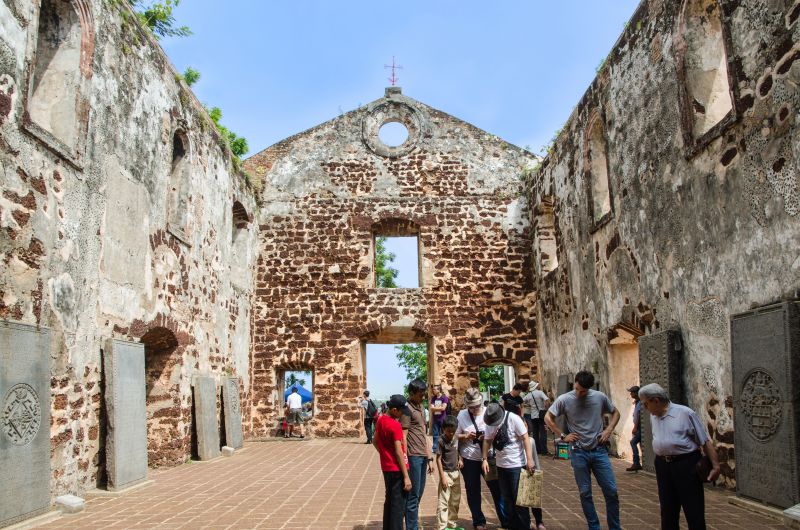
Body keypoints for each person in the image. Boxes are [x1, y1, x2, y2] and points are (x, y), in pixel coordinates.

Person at [545, 370, 621, 530]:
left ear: (589, 388)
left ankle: (615, 527)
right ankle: (594, 526)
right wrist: (562, 435)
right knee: (585, 492)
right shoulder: (565, 399)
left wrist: (609, 430)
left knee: (611, 491)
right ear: (575, 384)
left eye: (583, 391)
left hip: (599, 450)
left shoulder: (599, 397)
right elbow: (548, 417)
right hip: (578, 451)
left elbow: (615, 412)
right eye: (577, 389)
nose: (579, 393)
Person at [638, 383, 720, 530]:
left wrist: (716, 466)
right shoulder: (653, 416)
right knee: (667, 509)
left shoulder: (685, 413)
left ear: (656, 401)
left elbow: (704, 441)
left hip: (686, 464)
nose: (644, 408)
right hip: (663, 465)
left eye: (645, 404)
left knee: (693, 509)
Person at [482, 402, 546, 530]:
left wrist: (529, 459)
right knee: (507, 499)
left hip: (516, 465)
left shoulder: (514, 419)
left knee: (519, 500)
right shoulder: (490, 423)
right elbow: (487, 440)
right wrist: (484, 459)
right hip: (501, 466)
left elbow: (526, 438)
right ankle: (512, 526)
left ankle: (524, 526)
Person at [455, 387, 508, 530]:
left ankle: (505, 520)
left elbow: (499, 433)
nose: (474, 409)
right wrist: (465, 436)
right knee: (473, 490)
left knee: (497, 490)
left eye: (476, 406)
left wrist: (487, 438)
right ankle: (478, 521)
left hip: (489, 458)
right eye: (471, 407)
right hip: (469, 457)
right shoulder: (461, 415)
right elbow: (454, 436)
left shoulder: (489, 413)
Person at [374, 394, 412, 530]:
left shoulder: (380, 420)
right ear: (394, 409)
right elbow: (398, 451)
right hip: (397, 469)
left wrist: (384, 454)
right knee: (398, 506)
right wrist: (406, 476)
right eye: (401, 411)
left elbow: (375, 441)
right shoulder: (395, 425)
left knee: (389, 501)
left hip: (387, 467)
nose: (403, 414)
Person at [401, 378, 434, 530]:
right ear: (412, 393)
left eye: (423, 394)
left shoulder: (421, 408)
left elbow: (424, 433)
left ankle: (409, 523)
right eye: (420, 395)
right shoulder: (407, 410)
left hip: (422, 454)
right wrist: (405, 459)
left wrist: (430, 457)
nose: (422, 397)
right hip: (413, 456)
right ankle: (411, 527)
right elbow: (403, 437)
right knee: (413, 495)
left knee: (418, 493)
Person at [435, 415, 463, 530]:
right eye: (448, 431)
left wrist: (460, 459)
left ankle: (452, 524)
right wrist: (443, 477)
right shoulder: (441, 440)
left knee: (455, 501)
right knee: (443, 502)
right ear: (443, 429)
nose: (451, 434)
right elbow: (438, 459)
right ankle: (442, 526)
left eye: (453, 431)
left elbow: (458, 451)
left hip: (456, 473)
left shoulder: (456, 438)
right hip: (446, 474)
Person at [523, 381, 551, 455]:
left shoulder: (529, 395)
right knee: (543, 433)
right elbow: (547, 400)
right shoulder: (540, 392)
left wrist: (528, 405)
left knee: (535, 434)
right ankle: (544, 451)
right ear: (535, 387)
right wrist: (546, 409)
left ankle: (537, 450)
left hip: (533, 416)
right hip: (541, 416)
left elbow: (522, 401)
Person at [626, 385, 642, 471]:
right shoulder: (637, 402)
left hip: (639, 427)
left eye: (632, 392)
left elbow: (639, 415)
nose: (631, 394)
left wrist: (635, 427)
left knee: (633, 442)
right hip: (638, 427)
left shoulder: (640, 403)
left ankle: (636, 463)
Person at [430, 384, 450, 453]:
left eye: (435, 389)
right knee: (435, 435)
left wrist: (435, 408)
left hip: (442, 419)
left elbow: (443, 408)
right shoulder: (433, 398)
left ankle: (444, 448)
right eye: (433, 389)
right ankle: (435, 449)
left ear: (439, 390)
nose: (433, 390)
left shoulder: (444, 398)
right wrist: (439, 408)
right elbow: (431, 408)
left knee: (444, 434)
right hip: (435, 419)